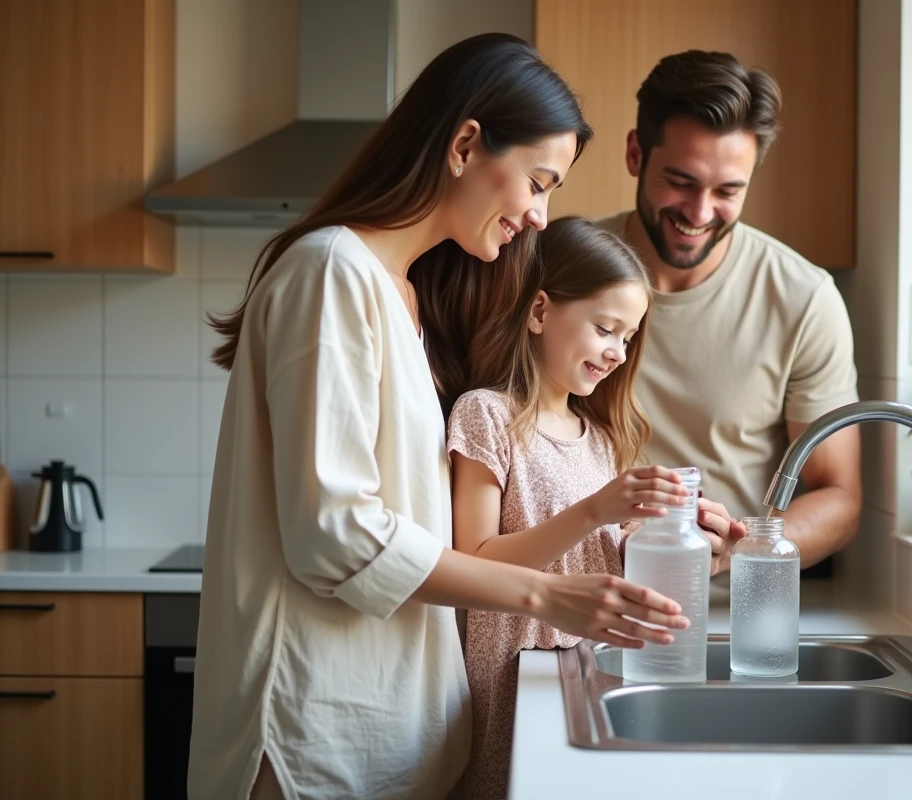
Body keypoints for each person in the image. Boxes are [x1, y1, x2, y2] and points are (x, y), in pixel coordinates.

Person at [189, 34, 689, 800]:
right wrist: (545, 595)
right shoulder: (332, 272)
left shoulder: (408, 295)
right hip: (310, 728)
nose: (538, 214)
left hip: (386, 725)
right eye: (538, 181)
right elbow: (334, 530)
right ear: (464, 145)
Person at [447, 216, 738, 799]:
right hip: (512, 675)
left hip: (591, 671)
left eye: (628, 337)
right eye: (606, 328)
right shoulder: (487, 416)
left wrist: (689, 545)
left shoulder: (601, 436)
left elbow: (595, 562)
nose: (617, 352)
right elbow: (472, 558)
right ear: (538, 312)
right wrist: (595, 511)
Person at [596, 50, 863, 572]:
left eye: (728, 191)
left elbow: (840, 499)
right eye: (681, 181)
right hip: (577, 608)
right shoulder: (556, 272)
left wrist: (736, 551)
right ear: (635, 154)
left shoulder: (804, 299)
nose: (699, 213)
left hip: (728, 616)